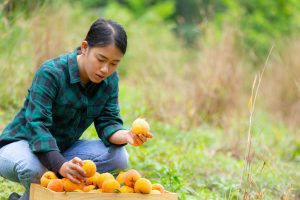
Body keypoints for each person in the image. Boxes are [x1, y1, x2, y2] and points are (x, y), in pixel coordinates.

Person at [0, 18, 153, 200]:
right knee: (37, 169)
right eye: (101, 59)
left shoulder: (109, 80)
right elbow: (37, 127)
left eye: (114, 63)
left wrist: (127, 135)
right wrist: (61, 165)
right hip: (21, 145)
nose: (105, 69)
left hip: (62, 149)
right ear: (85, 47)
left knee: (119, 156)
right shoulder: (51, 73)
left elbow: (108, 121)